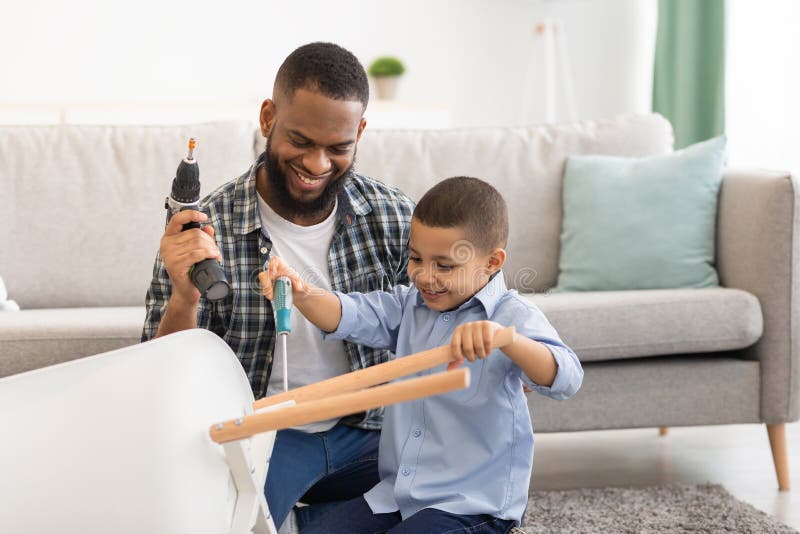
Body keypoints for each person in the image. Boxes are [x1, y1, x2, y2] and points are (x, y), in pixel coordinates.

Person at [141, 42, 415, 530]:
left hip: (371, 433)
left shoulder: (394, 217)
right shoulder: (207, 229)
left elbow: (459, 306)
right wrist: (185, 297)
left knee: (457, 498)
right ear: (268, 117)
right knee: (214, 519)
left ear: (361, 132)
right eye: (301, 141)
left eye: (338, 147)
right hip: (268, 439)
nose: (317, 164)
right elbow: (159, 381)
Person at [260, 176, 584, 533]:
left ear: (492, 262)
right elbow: (347, 313)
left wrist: (507, 341)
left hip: (471, 505)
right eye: (416, 258)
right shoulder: (409, 306)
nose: (425, 277)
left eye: (445, 266)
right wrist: (302, 293)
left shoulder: (512, 317)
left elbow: (567, 377)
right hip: (398, 496)